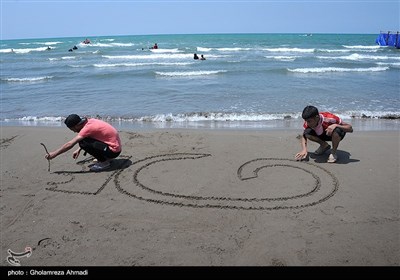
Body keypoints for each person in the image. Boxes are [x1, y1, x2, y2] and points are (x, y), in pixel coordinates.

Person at [44, 114, 122, 172]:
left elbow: (70, 144)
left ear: (76, 125)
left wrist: (54, 154)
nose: (74, 131)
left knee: (82, 143)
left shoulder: (87, 128)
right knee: (83, 142)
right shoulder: (89, 121)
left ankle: (104, 162)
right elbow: (93, 137)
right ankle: (107, 158)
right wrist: (79, 150)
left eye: (73, 129)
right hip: (114, 146)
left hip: (113, 151)